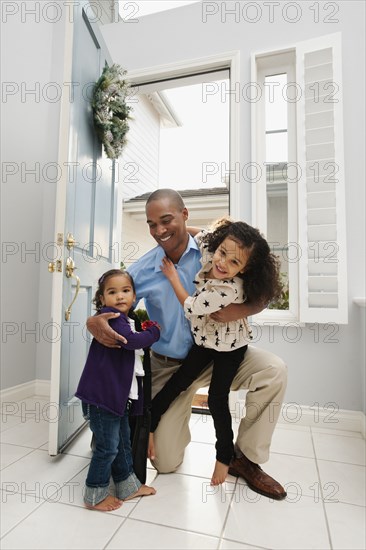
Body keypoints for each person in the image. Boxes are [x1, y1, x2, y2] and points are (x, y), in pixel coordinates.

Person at [87, 189, 288, 500]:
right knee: (165, 462)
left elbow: (261, 286)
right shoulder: (144, 269)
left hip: (221, 352)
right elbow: (113, 299)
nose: (159, 231)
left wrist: (238, 310)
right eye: (152, 224)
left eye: (166, 220)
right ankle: (163, 427)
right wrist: (94, 319)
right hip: (171, 365)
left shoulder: (215, 251)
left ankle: (244, 459)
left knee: (273, 370)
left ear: (185, 215)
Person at [148, 218, 281, 486]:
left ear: (244, 269)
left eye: (234, 263)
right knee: (177, 383)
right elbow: (202, 235)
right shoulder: (214, 252)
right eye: (222, 253)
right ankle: (149, 426)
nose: (223, 264)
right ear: (219, 246)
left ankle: (225, 457)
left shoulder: (227, 289)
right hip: (205, 343)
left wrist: (173, 277)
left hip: (229, 350)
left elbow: (191, 306)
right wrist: (188, 230)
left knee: (216, 399)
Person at [76, 269, 160, 511]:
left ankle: (127, 485)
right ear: (102, 299)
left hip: (116, 395)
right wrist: (153, 331)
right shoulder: (110, 317)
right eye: (112, 292)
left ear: (134, 296)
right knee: (107, 446)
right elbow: (131, 342)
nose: (120, 296)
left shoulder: (127, 319)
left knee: (122, 441)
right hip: (103, 397)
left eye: (125, 291)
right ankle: (95, 494)